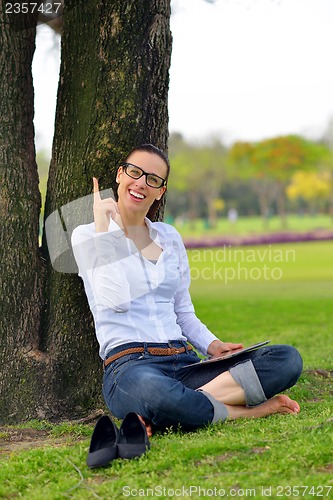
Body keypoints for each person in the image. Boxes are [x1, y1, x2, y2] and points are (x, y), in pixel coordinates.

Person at [71, 144, 303, 437]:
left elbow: (182, 310)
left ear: (160, 191)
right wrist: (106, 231)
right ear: (120, 175)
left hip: (184, 362)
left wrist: (211, 345)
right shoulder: (89, 235)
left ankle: (172, 412)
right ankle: (250, 410)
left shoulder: (168, 237)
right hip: (131, 368)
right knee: (157, 394)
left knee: (286, 359)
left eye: (152, 179)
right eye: (135, 172)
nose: (141, 183)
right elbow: (114, 301)